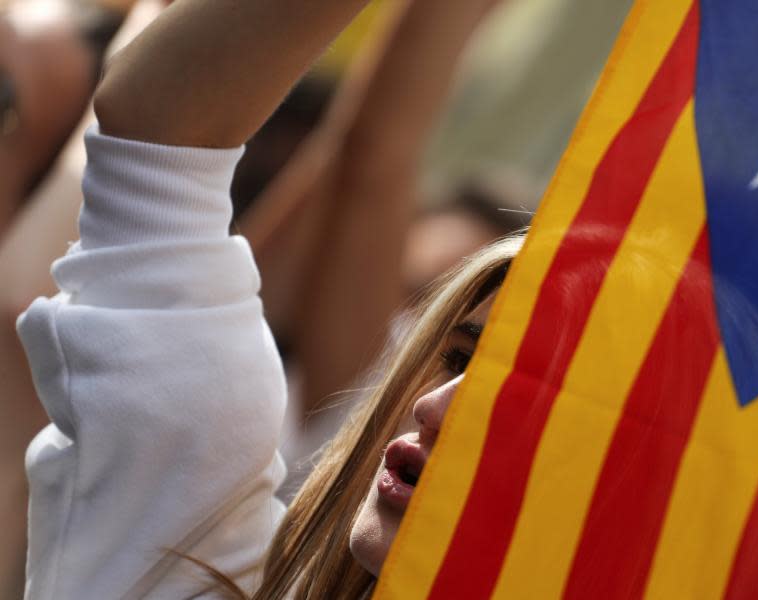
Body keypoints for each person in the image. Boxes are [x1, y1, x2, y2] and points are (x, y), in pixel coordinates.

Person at [17, 0, 520, 597]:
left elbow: (373, 158)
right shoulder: (199, 561)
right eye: (456, 356)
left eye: (524, 400)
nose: (437, 405)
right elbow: (159, 133)